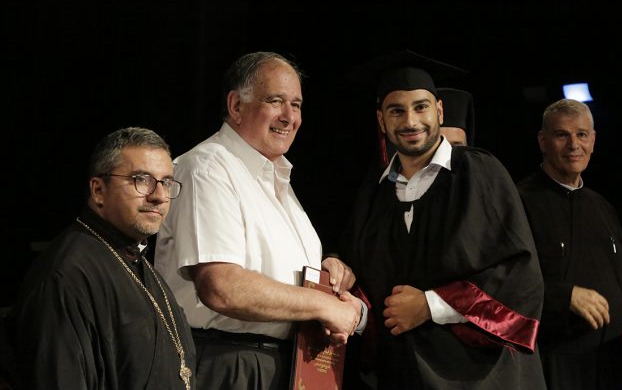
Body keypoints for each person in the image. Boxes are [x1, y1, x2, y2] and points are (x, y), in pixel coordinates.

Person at [154, 51, 363, 390]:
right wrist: (320, 304)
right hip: (227, 363)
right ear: (236, 106)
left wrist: (326, 275)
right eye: (275, 101)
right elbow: (221, 286)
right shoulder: (208, 168)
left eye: (296, 105)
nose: (288, 116)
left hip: (284, 364)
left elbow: (270, 268)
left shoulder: (276, 181)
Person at [341, 49, 546, 389]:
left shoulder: (478, 173)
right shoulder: (375, 194)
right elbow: (366, 280)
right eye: (396, 110)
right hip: (402, 375)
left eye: (420, 107)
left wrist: (429, 305)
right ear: (381, 120)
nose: (410, 121)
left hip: (481, 377)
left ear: (438, 110)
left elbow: (520, 276)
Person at [9, 127, 195, 389]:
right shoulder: (67, 275)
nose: (159, 196)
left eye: (165, 182)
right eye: (141, 179)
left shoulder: (137, 262)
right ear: (98, 190)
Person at [517, 98, 622, 390]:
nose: (574, 144)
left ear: (593, 141)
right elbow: (507, 282)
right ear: (543, 141)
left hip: (614, 358)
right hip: (557, 363)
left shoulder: (602, 206)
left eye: (582, 134)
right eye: (562, 135)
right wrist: (565, 296)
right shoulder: (519, 202)